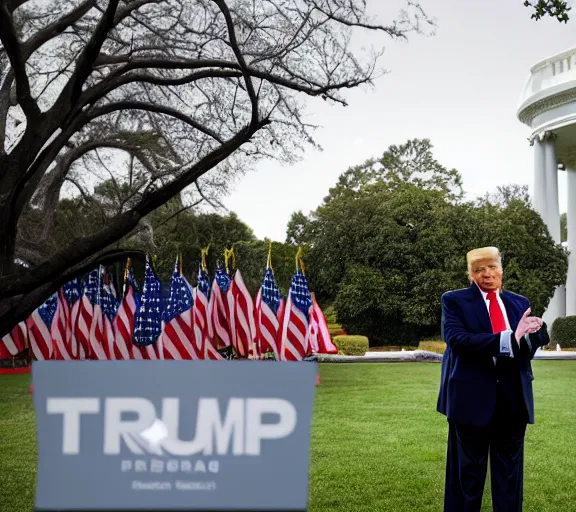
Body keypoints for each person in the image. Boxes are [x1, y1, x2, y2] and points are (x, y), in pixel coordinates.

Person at [436, 246, 550, 512]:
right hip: (470, 402)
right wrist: (510, 337)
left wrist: (534, 334)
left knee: (510, 480)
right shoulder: (454, 301)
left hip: (513, 402)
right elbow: (458, 341)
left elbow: (523, 350)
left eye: (492, 267)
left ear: (501, 269)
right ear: (470, 275)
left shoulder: (519, 302)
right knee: (467, 480)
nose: (487, 275)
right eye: (479, 270)